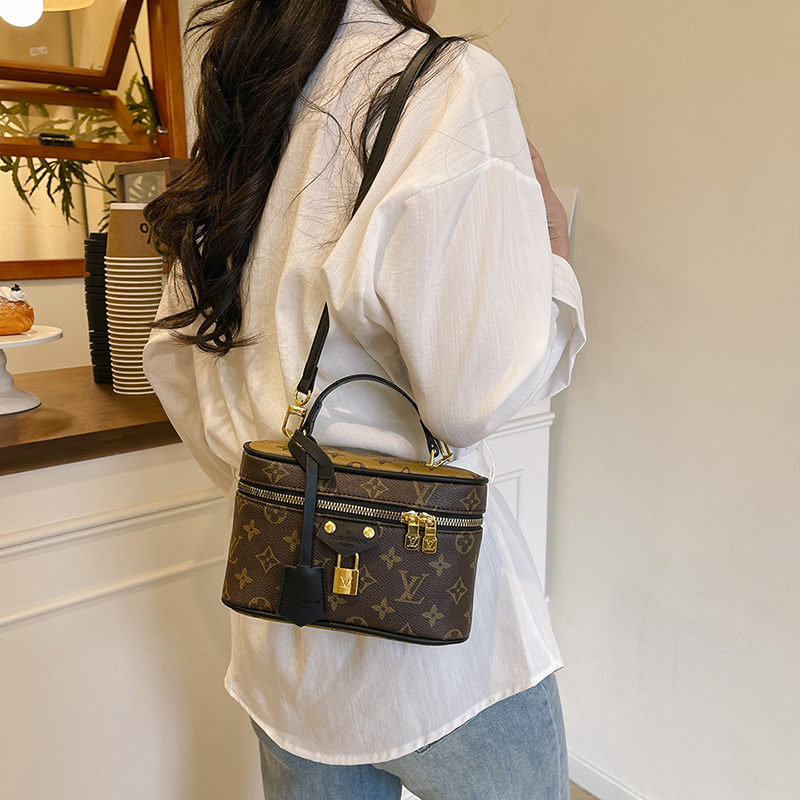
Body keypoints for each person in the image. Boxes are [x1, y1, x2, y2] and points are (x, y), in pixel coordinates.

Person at [142, 0, 586, 797]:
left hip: (285, 630)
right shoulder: (447, 84)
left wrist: (291, 489)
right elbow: (469, 398)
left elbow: (175, 359)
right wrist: (552, 255)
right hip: (440, 651)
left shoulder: (248, 82)